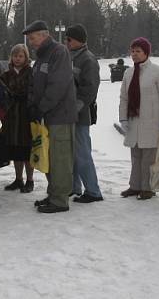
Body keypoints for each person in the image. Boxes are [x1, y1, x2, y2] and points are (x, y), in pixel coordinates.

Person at [23, 21, 77, 214]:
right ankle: (53, 193)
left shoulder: (58, 52)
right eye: (29, 39)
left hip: (60, 117)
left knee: (60, 158)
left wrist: (41, 107)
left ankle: (60, 200)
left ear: (44, 35)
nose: (30, 42)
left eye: (32, 38)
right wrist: (32, 106)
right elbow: (33, 85)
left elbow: (58, 86)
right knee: (49, 157)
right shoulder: (41, 58)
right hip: (46, 117)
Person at [118, 38, 159, 200]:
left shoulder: (158, 71)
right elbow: (123, 98)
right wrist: (123, 118)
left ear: (146, 53)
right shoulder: (128, 73)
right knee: (136, 156)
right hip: (134, 122)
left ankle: (148, 188)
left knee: (149, 158)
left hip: (152, 123)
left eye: (138, 51)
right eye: (132, 51)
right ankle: (135, 186)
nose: (134, 54)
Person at [64, 24, 103, 204]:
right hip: (67, 115)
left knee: (82, 153)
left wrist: (75, 108)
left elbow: (90, 90)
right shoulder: (69, 57)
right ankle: (74, 187)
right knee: (71, 153)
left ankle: (93, 191)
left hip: (79, 115)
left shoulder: (88, 59)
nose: (66, 42)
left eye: (69, 39)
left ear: (79, 39)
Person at [1, 44, 34, 193]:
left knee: (27, 151)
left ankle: (30, 180)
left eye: (20, 56)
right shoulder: (6, 74)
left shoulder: (31, 73)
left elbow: (35, 92)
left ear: (26, 57)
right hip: (12, 118)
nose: (17, 59)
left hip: (26, 117)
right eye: (15, 56)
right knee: (16, 151)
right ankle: (18, 179)